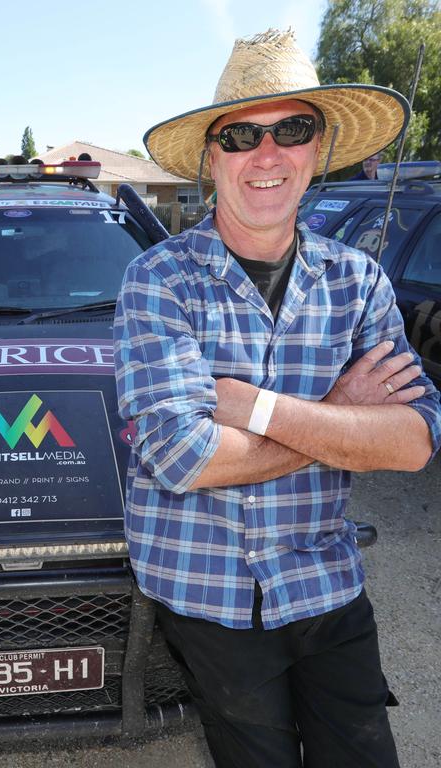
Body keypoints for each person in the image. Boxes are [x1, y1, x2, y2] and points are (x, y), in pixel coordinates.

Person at [116, 29, 441, 767]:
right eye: (241, 135)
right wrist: (343, 411)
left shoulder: (359, 281)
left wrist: (255, 408)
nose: (267, 154)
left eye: (291, 130)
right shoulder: (158, 282)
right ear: (211, 156)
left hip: (324, 578)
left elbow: (416, 440)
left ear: (317, 148)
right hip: (208, 590)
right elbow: (182, 457)